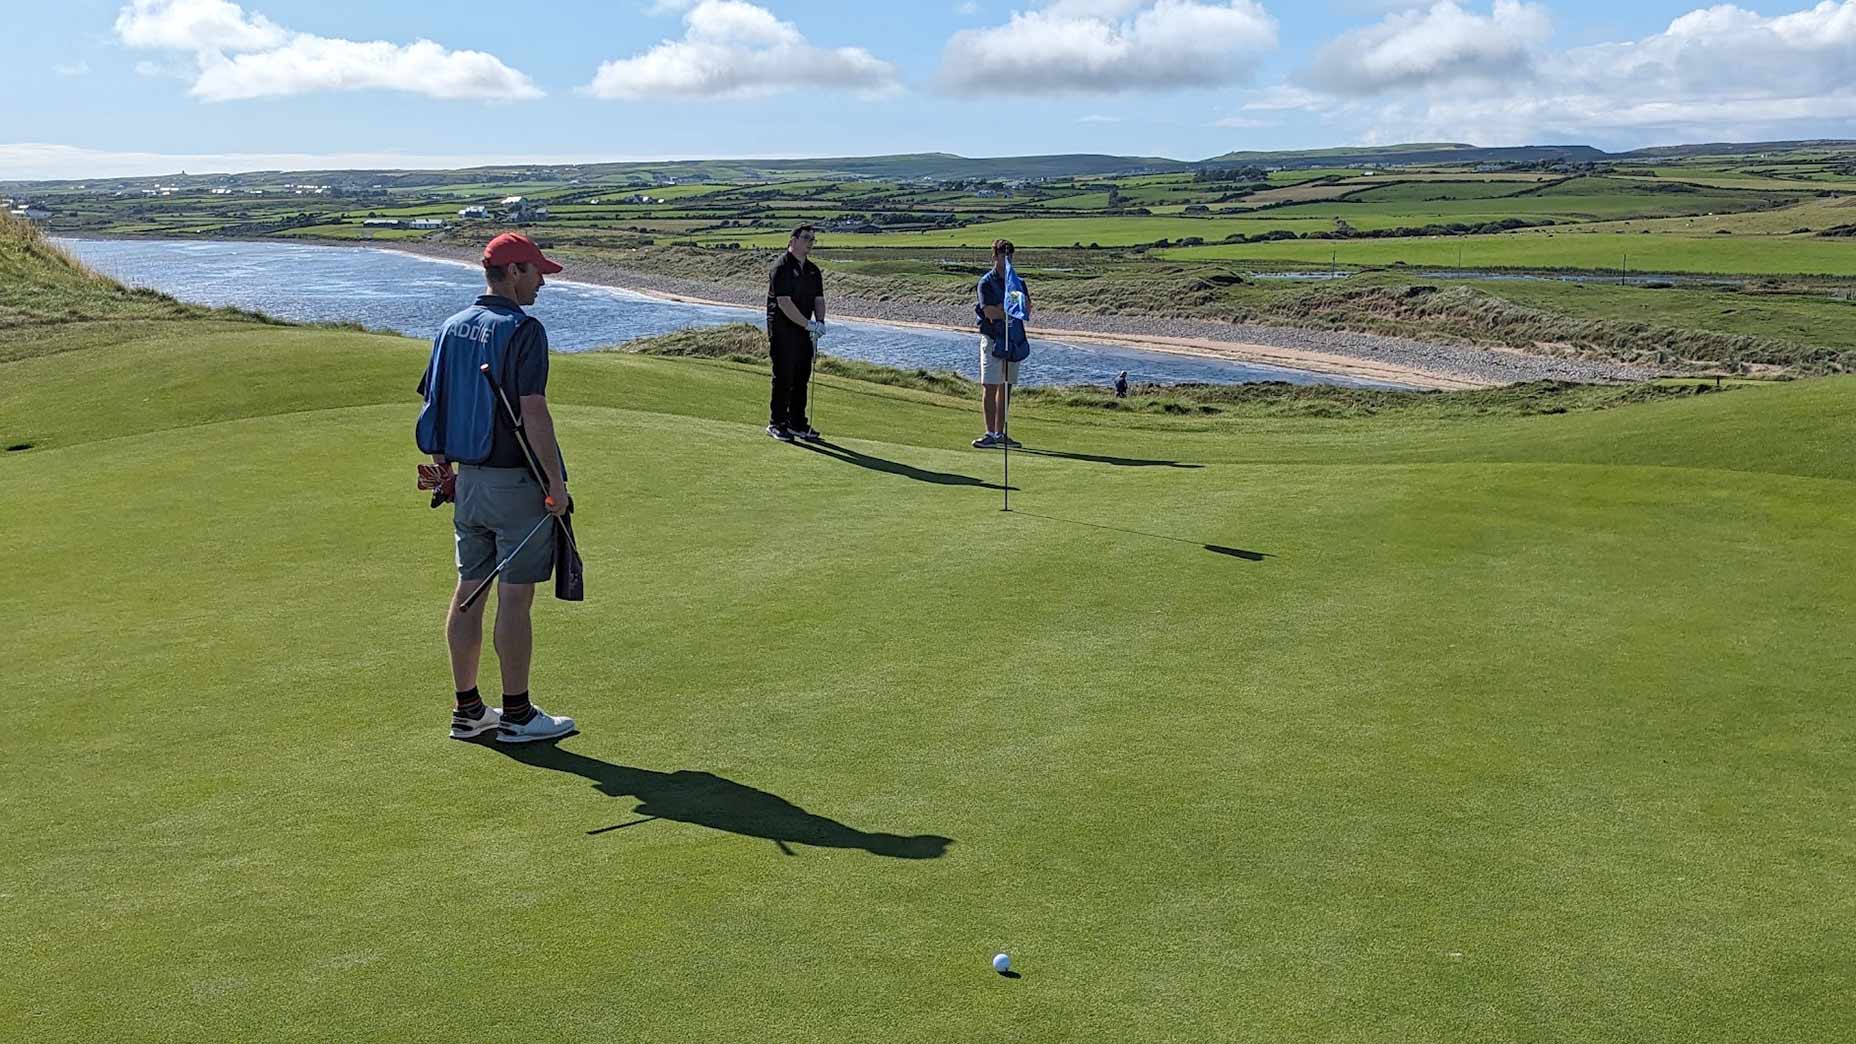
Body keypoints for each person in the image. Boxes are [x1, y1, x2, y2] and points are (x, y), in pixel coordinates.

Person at [415, 232, 577, 745]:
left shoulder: (449, 327)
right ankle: (517, 715)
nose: (541, 283)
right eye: (535, 273)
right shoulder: (523, 330)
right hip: (515, 486)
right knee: (514, 599)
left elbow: (434, 406)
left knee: (468, 593)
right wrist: (556, 483)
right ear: (510, 272)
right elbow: (533, 412)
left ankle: (467, 712)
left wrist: (444, 473)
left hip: (467, 486)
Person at [766, 225, 827, 442]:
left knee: (802, 376)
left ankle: (797, 423)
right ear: (793, 240)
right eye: (806, 238)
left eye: (813, 239)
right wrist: (808, 325)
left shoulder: (812, 270)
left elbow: (818, 299)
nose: (810, 242)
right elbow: (784, 303)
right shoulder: (781, 267)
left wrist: (819, 322)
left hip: (804, 332)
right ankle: (777, 423)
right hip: (783, 331)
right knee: (784, 376)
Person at [973, 239, 1028, 449]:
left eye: (1010, 256)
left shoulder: (1018, 282)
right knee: (991, 385)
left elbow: (1026, 309)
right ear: (994, 257)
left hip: (1013, 339)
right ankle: (989, 433)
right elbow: (988, 312)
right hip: (993, 339)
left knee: (1006, 387)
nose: (1007, 260)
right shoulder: (986, 282)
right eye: (1003, 256)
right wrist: (1006, 311)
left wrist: (1004, 311)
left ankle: (1000, 433)